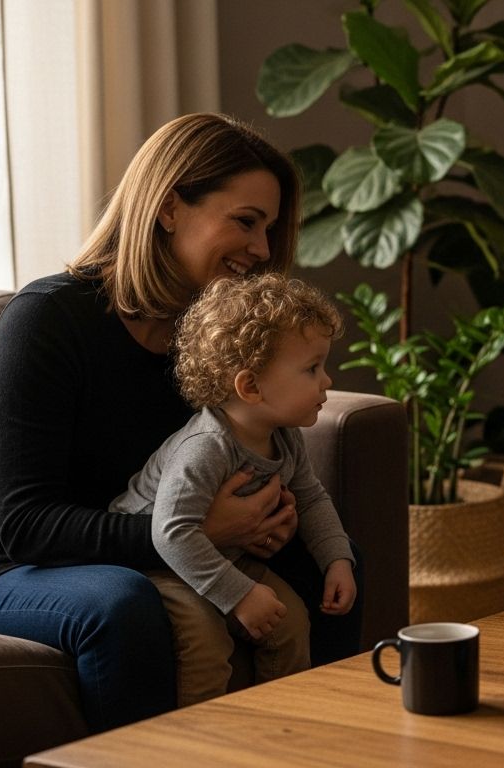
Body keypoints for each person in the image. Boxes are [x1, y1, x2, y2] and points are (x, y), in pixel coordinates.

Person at [0, 113, 361, 732]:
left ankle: (314, 746)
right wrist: (208, 531)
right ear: (168, 208)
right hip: (8, 569)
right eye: (246, 221)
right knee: (122, 604)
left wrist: (271, 523)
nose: (262, 249)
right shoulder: (48, 320)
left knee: (336, 568)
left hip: (166, 542)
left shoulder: (216, 336)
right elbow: (27, 524)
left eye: (270, 229)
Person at [109, 274, 357, 705]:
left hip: (222, 555)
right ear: (251, 386)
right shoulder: (206, 447)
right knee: (206, 642)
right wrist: (239, 594)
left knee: (291, 623)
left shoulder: (284, 436)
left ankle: (281, 727)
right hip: (157, 566)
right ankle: (203, 737)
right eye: (311, 368)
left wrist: (337, 560)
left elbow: (312, 497)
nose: (327, 381)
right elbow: (171, 533)